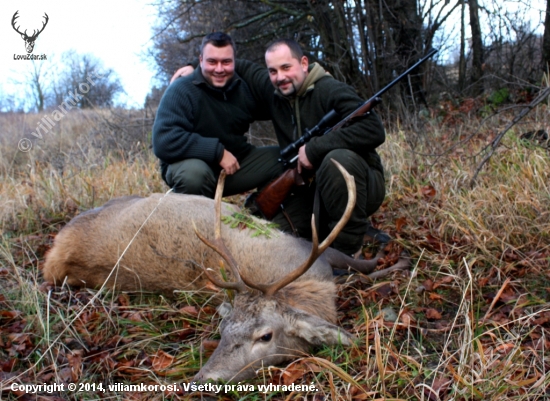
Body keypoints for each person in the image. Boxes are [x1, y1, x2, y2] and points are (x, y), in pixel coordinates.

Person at [172, 39, 386, 257]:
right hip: (312, 190)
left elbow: (373, 129)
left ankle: (347, 252)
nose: (280, 77)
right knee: (273, 240)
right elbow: (235, 63)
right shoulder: (276, 92)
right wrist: (194, 67)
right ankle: (332, 228)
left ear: (303, 63)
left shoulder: (330, 89)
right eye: (272, 71)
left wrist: (314, 149)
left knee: (336, 159)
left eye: (286, 67)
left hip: (362, 185)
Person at [152, 32, 282, 198]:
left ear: (235, 62)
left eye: (226, 62)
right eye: (212, 62)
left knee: (285, 159)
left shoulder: (243, 87)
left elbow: (279, 103)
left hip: (234, 166)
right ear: (200, 61)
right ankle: (193, 221)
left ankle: (256, 213)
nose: (219, 69)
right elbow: (164, 140)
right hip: (193, 167)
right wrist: (217, 152)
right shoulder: (181, 90)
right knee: (194, 175)